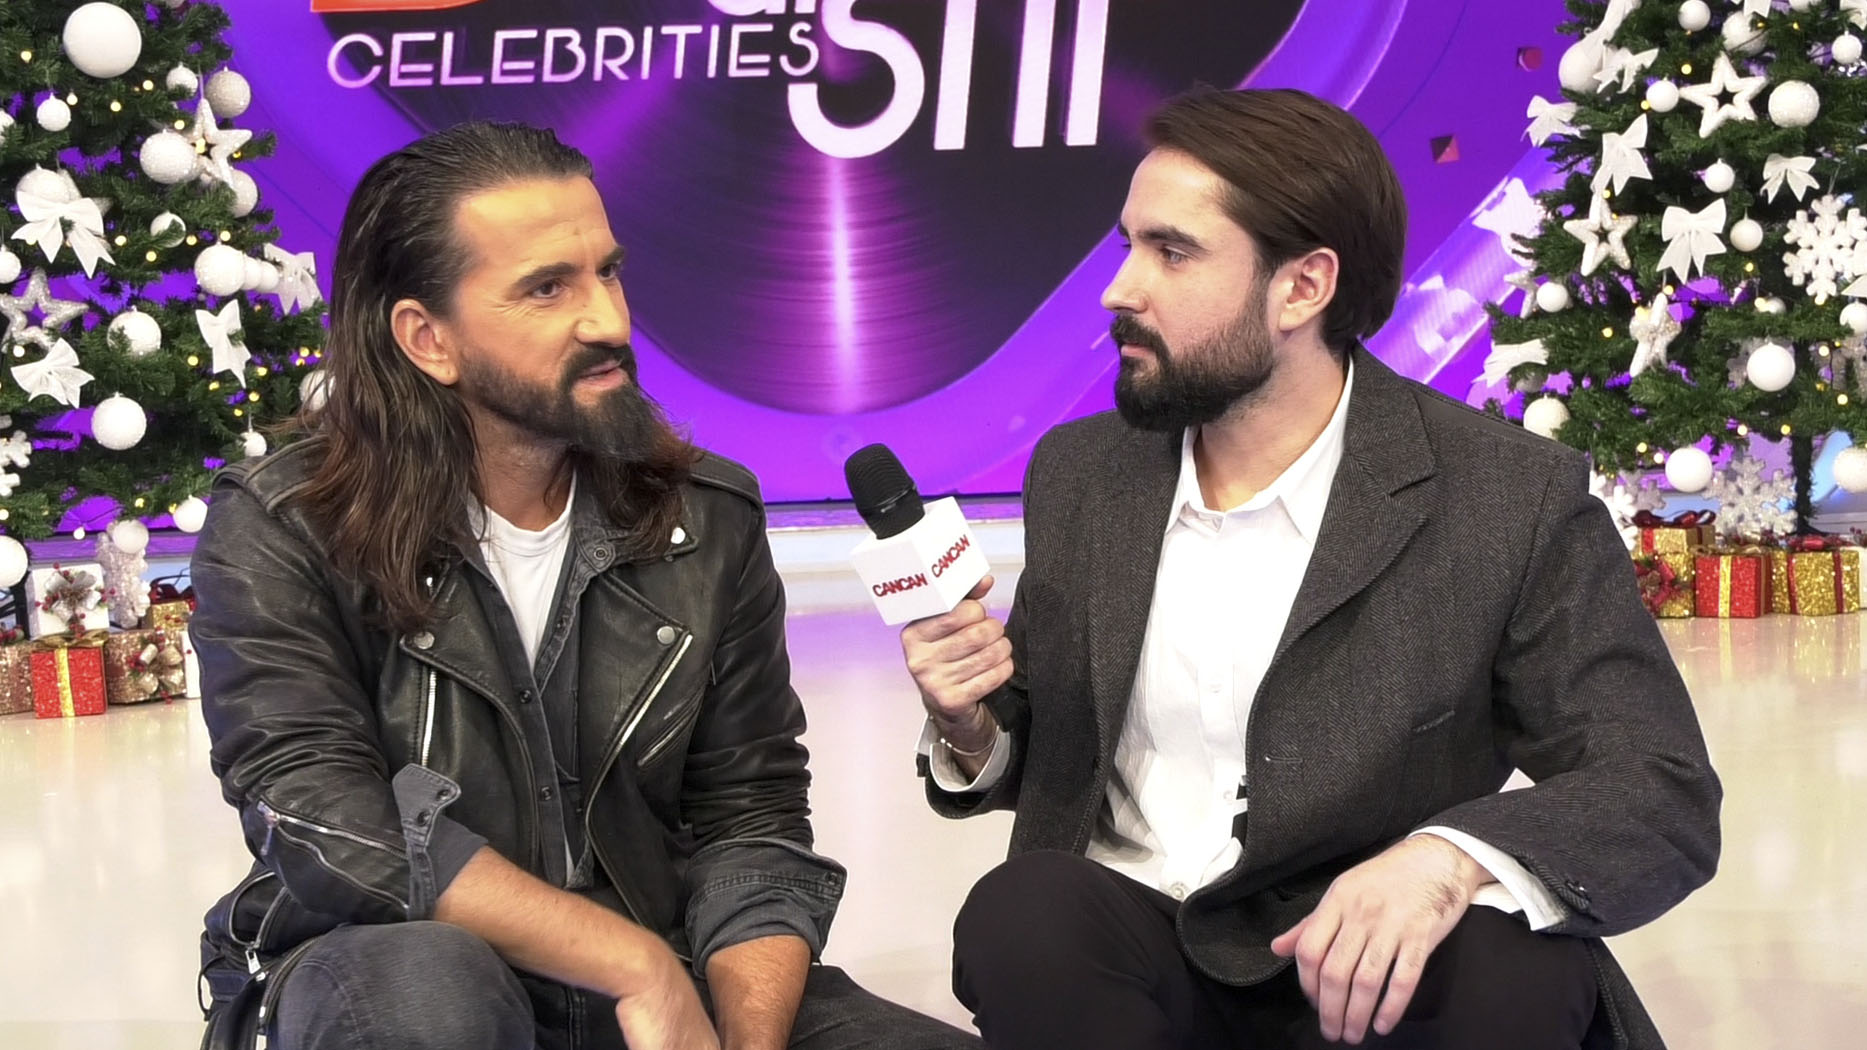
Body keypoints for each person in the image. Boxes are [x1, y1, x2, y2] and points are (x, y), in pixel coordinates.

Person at [900, 87, 1721, 1050]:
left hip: (1364, 967)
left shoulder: (1505, 495)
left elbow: (1655, 783)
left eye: (1171, 252)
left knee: (1515, 965)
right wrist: (970, 727)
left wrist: (1444, 860)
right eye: (1128, 246)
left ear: (1303, 287)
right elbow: (1046, 739)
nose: (1120, 289)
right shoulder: (1084, 473)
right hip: (1133, 957)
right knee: (1025, 911)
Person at [193, 121, 980, 1050]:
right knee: (431, 993)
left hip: (660, 975)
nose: (608, 320)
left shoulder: (707, 516)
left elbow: (749, 820)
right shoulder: (281, 522)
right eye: (547, 288)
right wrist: (630, 963)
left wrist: (744, 1035)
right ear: (428, 339)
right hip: (382, 962)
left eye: (608, 272)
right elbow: (329, 825)